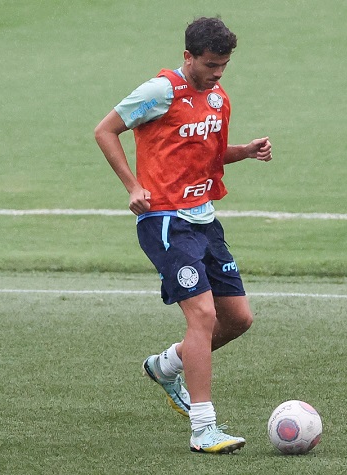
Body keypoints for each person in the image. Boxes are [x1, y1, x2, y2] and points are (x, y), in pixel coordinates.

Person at [94, 17, 272, 454]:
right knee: (203, 316)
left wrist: (244, 152)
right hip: (166, 221)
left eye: (224, 65)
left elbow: (209, 156)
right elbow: (105, 130)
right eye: (211, 64)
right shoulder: (159, 91)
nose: (217, 73)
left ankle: (166, 366)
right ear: (188, 56)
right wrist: (133, 186)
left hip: (204, 220)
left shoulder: (217, 98)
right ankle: (203, 428)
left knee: (238, 318)